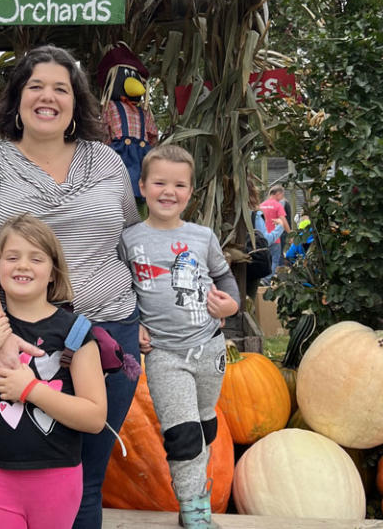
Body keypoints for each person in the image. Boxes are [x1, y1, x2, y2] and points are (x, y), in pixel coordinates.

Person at [0, 44, 140, 529]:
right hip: (14, 337)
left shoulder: (107, 162)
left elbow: (131, 241)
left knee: (85, 480)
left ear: (77, 102)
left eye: (61, 88)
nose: (47, 97)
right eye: (35, 86)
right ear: (16, 99)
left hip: (105, 330)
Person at [0, 214, 107, 529]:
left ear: (52, 271)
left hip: (57, 478)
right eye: (12, 257)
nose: (22, 265)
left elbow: (95, 417)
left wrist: (30, 389)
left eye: (36, 258)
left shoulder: (75, 333)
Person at [119, 145, 239, 528]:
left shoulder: (202, 237)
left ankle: (199, 487)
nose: (168, 191)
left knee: (205, 426)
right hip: (164, 354)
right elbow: (121, 287)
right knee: (183, 433)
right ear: (142, 186)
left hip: (208, 348)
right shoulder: (130, 239)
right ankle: (193, 511)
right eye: (159, 183)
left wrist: (231, 306)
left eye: (179, 184)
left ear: (190, 192)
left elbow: (224, 278)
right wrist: (132, 322)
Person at [258, 184, 289, 285]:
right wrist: (291, 234)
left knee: (264, 260)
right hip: (275, 239)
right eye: (282, 195)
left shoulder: (261, 205)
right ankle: (266, 281)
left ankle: (261, 279)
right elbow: (283, 221)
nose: (282, 198)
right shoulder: (278, 205)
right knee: (274, 261)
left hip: (262, 238)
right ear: (278, 194)